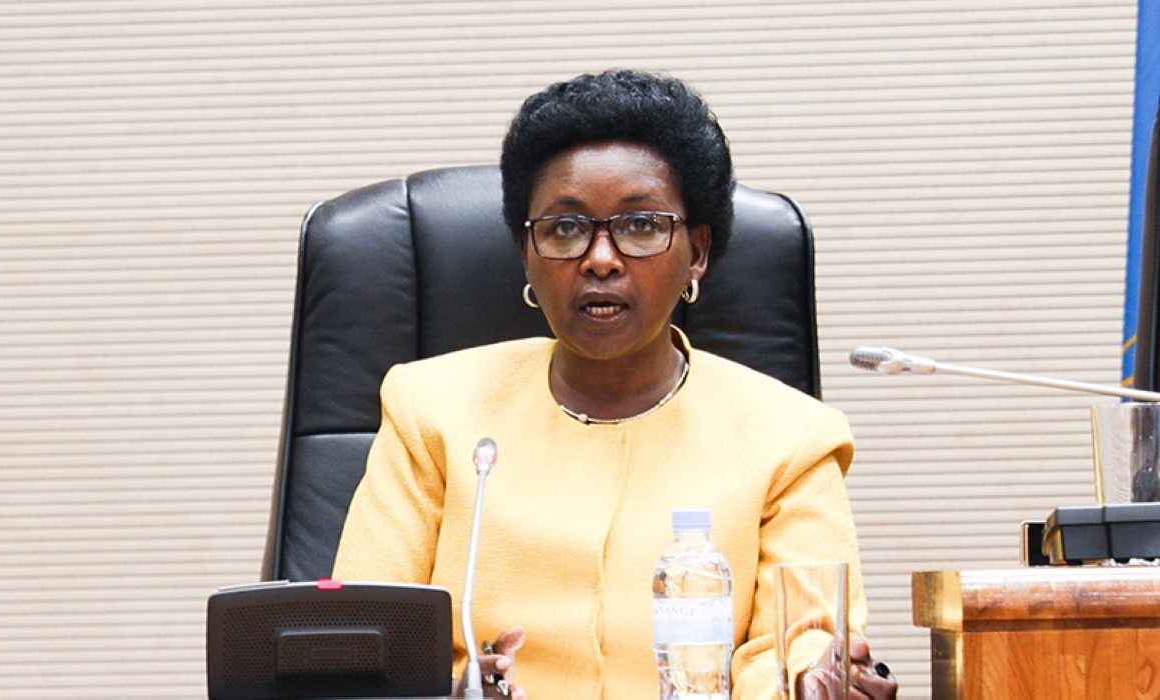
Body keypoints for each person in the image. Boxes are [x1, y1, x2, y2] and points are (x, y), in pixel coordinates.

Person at [333, 69, 897, 700]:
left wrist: (815, 681)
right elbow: (365, 646)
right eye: (565, 228)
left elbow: (801, 644)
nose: (601, 258)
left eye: (641, 225)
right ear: (527, 253)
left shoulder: (790, 438)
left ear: (698, 252)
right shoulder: (430, 409)